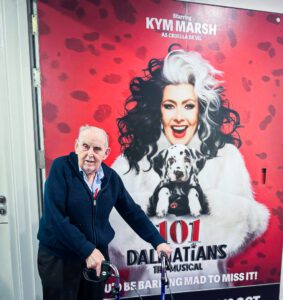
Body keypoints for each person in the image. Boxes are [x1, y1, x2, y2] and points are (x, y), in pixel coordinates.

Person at [109, 48, 269, 295]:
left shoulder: (225, 156)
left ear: (201, 110)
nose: (179, 117)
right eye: (170, 106)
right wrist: (150, 206)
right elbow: (108, 237)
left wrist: (208, 203)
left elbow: (246, 227)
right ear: (157, 110)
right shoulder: (132, 160)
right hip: (150, 291)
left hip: (209, 290)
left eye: (188, 106)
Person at [37, 125, 172, 300]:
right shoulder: (60, 168)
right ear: (76, 145)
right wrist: (87, 250)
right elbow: (55, 219)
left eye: (97, 148)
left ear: (106, 153)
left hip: (96, 259)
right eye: (85, 146)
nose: (90, 154)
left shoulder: (111, 178)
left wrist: (158, 241)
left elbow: (132, 212)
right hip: (60, 258)